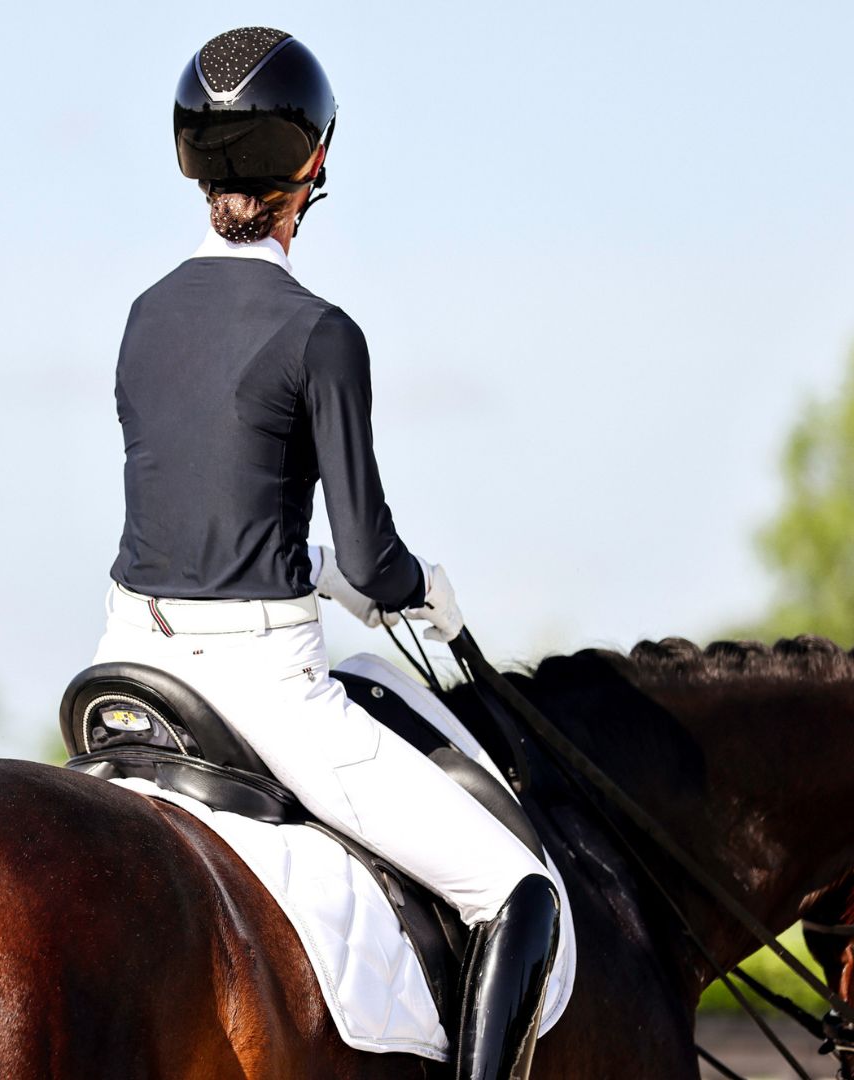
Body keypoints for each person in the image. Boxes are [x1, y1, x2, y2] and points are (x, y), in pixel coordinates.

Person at [93, 27, 559, 1079]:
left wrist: (303, 563)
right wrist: (412, 590)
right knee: (517, 891)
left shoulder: (141, 317)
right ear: (313, 165)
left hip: (127, 667)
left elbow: (206, 506)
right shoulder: (320, 332)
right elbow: (376, 558)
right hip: (265, 690)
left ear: (191, 160)